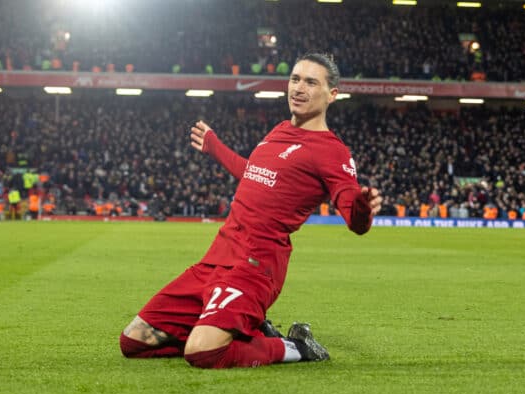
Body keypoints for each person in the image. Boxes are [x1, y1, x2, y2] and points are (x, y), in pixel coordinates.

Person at [119, 52, 383, 369]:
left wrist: (362, 208)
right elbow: (255, 175)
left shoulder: (331, 150)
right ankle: (241, 330)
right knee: (134, 341)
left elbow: (353, 216)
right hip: (216, 258)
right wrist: (216, 147)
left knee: (202, 353)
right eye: (295, 79)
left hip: (254, 267)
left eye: (311, 82)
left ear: (332, 94)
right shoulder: (280, 130)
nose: (298, 88)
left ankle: (294, 346)